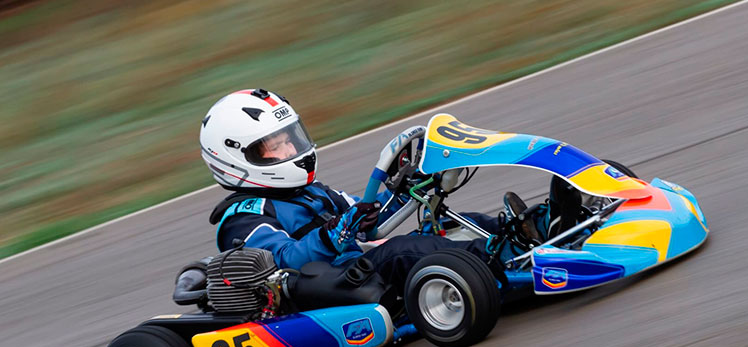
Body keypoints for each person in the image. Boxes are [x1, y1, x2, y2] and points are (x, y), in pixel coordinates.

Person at [200, 89, 559, 292]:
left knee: (456, 224)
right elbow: (284, 260)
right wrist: (334, 234)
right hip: (329, 288)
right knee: (406, 250)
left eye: (290, 140)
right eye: (274, 147)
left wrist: (406, 187)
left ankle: (544, 227)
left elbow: (369, 219)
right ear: (234, 157)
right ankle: (510, 258)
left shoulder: (311, 193)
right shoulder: (244, 217)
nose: (291, 152)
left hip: (355, 265)